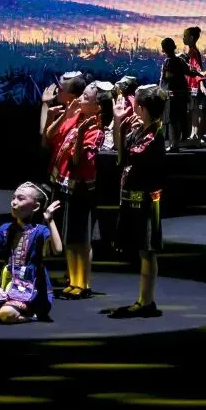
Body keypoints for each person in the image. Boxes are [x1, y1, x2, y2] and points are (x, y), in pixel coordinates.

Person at [111, 84, 169, 318]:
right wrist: (119, 124)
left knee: (148, 250)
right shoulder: (141, 129)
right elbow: (120, 155)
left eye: (135, 103)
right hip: (132, 197)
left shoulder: (155, 134)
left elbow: (132, 154)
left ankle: (147, 301)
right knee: (143, 251)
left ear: (142, 107)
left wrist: (124, 128)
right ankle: (143, 300)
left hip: (147, 201)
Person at [44, 81, 105, 300]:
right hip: (64, 186)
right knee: (69, 237)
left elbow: (78, 160)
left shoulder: (96, 131)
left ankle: (83, 283)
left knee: (82, 238)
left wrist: (80, 134)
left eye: (86, 98)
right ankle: (72, 280)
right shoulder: (75, 116)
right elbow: (50, 135)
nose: (79, 100)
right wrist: (64, 115)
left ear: (97, 107)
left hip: (81, 189)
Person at [0, 183, 63, 323]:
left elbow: (58, 249)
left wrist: (50, 220)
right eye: (13, 198)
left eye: (20, 198)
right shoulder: (6, 228)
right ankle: (8, 305)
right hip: (7, 282)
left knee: (6, 314)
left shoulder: (40, 230)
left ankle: (32, 313)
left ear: (35, 207)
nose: (14, 202)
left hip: (30, 284)